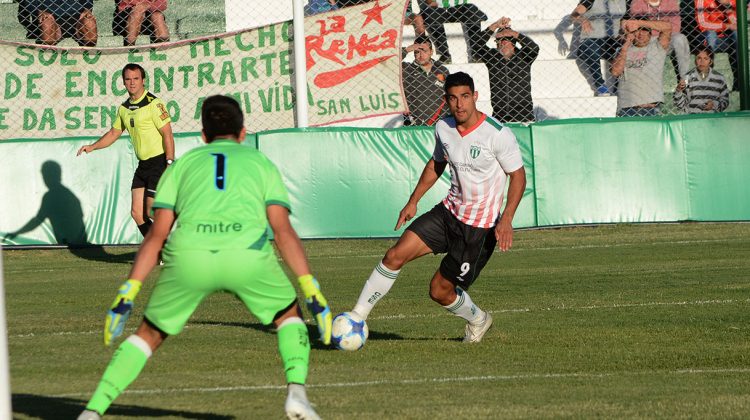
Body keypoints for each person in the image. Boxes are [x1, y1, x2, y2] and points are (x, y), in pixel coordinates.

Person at [76, 95, 332, 420]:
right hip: (246, 257)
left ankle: (92, 411)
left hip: (189, 258)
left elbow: (156, 235)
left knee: (149, 335)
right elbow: (282, 232)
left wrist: (129, 291)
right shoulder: (261, 163)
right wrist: (310, 287)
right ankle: (296, 394)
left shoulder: (183, 164)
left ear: (202, 135)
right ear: (243, 133)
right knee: (288, 315)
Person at [350, 72, 527, 343]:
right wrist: (413, 200)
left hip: (477, 230)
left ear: (475, 96)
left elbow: (518, 176)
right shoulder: (443, 128)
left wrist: (507, 219)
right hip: (447, 214)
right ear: (446, 100)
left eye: (465, 97)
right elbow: (437, 163)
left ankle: (478, 319)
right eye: (453, 98)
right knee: (394, 255)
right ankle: (356, 318)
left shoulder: (498, 134)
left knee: (439, 291)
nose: (460, 104)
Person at [77, 63, 175, 239]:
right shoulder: (124, 108)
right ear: (123, 82)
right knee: (137, 213)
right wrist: (92, 147)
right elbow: (114, 132)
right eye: (128, 79)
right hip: (143, 165)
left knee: (152, 211)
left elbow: (167, 134)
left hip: (159, 162)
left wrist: (170, 162)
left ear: (143, 80)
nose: (132, 83)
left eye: (136, 78)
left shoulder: (154, 104)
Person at [472, 16, 539, 123]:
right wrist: (494, 26)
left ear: (514, 42)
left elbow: (534, 48)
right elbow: (475, 45)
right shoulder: (492, 57)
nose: (501, 43)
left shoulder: (524, 57)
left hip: (524, 115)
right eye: (498, 40)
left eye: (505, 40)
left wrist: (515, 34)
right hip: (500, 115)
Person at [611, 19, 672, 117]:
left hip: (650, 108)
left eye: (644, 30)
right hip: (627, 108)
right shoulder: (622, 50)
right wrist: (626, 45)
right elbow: (615, 72)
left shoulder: (657, 47)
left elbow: (668, 27)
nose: (641, 34)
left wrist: (638, 23)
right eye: (637, 30)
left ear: (650, 33)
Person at [570, 0, 628, 96]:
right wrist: (583, 19)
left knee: (626, 48)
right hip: (591, 40)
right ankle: (600, 85)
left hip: (614, 40)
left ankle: (619, 87)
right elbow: (574, 14)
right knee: (590, 47)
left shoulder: (625, 1)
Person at [627, 0, 691, 81]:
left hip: (667, 39)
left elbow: (675, 28)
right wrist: (663, 27)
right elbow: (636, 26)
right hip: (647, 40)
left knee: (680, 38)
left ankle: (685, 80)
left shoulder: (671, 2)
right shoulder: (637, 2)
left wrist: (652, 26)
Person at [417, 0, 488, 63]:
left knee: (471, 10)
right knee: (431, 14)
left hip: (460, 8)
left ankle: (476, 52)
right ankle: (445, 54)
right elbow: (430, 1)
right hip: (439, 9)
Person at [401, 35, 450, 126]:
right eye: (417, 52)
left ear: (431, 52)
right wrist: (406, 50)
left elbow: (450, 96)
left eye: (424, 51)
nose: (421, 55)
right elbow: (388, 62)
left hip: (440, 123)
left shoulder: (443, 71)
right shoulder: (406, 69)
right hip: (414, 125)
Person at [695, 0, 739, 90]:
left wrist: (727, 7)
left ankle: (739, 82)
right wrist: (726, 26)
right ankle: (705, 81)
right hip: (706, 37)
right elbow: (702, 24)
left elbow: (736, 24)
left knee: (737, 35)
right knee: (711, 35)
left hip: (725, 38)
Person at [673, 46, 730, 113]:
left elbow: (725, 101)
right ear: (695, 60)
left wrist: (714, 105)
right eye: (699, 58)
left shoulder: (719, 78)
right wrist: (678, 90)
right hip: (693, 118)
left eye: (705, 58)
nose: (702, 62)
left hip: (712, 119)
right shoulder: (688, 78)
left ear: (710, 61)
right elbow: (680, 104)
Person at [18, 0, 97, 46]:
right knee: (47, 27)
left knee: (90, 25)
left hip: (76, 15)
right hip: (50, 15)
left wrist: (87, 8)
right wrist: (38, 11)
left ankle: (88, 66)